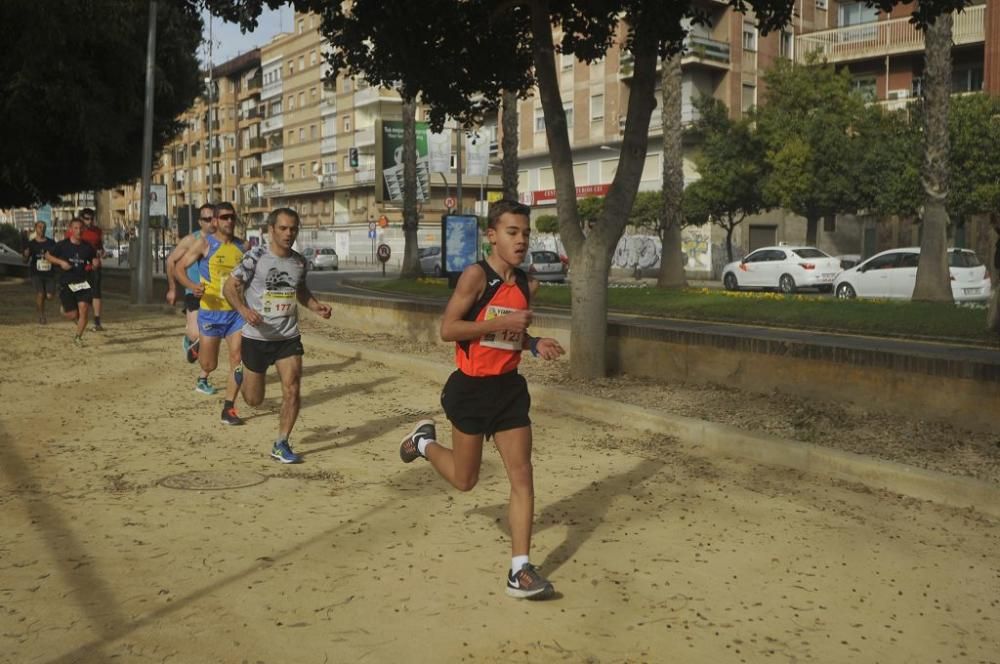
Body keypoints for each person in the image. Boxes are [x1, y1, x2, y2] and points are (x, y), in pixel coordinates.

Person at [398, 199, 565, 600]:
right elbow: (449, 329)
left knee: (522, 475)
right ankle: (422, 442)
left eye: (525, 233)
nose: (521, 240)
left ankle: (519, 570)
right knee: (465, 480)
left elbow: (511, 336)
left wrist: (533, 342)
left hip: (508, 390)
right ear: (492, 236)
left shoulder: (529, 284)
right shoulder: (475, 277)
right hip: (470, 390)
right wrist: (502, 321)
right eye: (512, 232)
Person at [224, 208, 332, 463]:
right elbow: (229, 287)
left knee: (292, 389)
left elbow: (301, 291)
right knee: (254, 400)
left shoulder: (299, 261)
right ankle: (242, 372)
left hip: (287, 337)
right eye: (283, 228)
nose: (288, 233)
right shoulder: (255, 257)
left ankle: (281, 443)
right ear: (271, 230)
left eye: (293, 228)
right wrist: (243, 310)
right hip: (257, 337)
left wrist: (316, 306)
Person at [175, 202, 246, 424]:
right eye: (224, 217)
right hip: (210, 312)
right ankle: (197, 349)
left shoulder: (243, 247)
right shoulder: (204, 244)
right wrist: (191, 284)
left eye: (232, 217)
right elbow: (179, 267)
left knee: (238, 357)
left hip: (235, 314)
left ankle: (229, 408)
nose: (229, 221)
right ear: (215, 221)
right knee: (209, 365)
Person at [166, 204, 217, 364]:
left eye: (213, 219)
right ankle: (190, 340)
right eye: (206, 219)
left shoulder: (220, 241)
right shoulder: (190, 240)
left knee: (210, 334)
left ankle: (204, 377)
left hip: (214, 293)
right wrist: (172, 289)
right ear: (200, 222)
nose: (210, 223)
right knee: (196, 335)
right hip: (193, 291)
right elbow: (171, 261)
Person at [45, 218, 100, 345]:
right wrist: (61, 262)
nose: (79, 231)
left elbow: (94, 261)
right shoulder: (63, 245)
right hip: (67, 283)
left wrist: (95, 264)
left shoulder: (88, 247)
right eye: (76, 228)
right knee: (71, 314)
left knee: (84, 308)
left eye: (81, 228)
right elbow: (47, 256)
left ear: (84, 229)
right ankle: (66, 310)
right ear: (71, 229)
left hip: (83, 282)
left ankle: (78, 337)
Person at [23, 221, 57, 324]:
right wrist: (26, 255)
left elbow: (57, 256)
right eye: (39, 227)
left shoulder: (51, 243)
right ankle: (41, 316)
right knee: (40, 293)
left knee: (50, 296)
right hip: (36, 273)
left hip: (49, 273)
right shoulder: (31, 244)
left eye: (43, 227)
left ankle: (40, 301)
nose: (41, 229)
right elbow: (24, 261)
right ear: (35, 229)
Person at [78, 208, 106, 331]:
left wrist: (101, 253)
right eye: (86, 219)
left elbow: (100, 247)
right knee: (80, 293)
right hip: (80, 268)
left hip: (94, 267)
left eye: (91, 219)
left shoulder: (97, 232)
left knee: (96, 293)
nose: (89, 221)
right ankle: (80, 317)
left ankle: (97, 322)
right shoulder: (75, 231)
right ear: (82, 219)